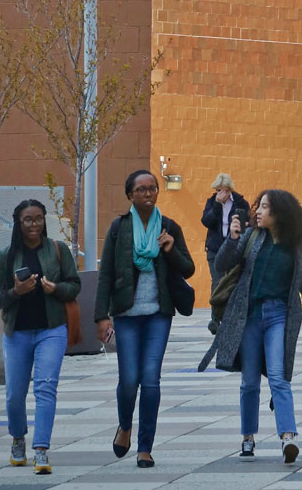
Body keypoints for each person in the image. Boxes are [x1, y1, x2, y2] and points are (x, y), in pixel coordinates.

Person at [198, 189, 302, 464]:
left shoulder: (299, 246)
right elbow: (222, 264)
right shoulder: (251, 237)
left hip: (279, 316)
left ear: (279, 213)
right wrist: (232, 239)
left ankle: (288, 437)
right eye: (258, 206)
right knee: (249, 382)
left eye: (264, 207)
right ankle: (248, 437)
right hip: (250, 316)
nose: (257, 211)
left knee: (279, 377)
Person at [94, 169, 195, 468]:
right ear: (130, 195)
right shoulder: (118, 229)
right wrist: (101, 317)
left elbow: (188, 269)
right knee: (129, 380)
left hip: (157, 315)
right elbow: (105, 276)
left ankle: (145, 447)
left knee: (150, 380)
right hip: (126, 315)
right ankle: (125, 425)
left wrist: (170, 250)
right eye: (141, 189)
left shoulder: (169, 227)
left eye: (152, 188)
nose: (149, 193)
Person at [0, 200, 81, 475]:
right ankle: (18, 438)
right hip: (17, 333)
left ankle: (41, 450)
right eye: (28, 219)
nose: (34, 224)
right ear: (18, 222)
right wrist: (16, 291)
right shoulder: (6, 255)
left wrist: (56, 289)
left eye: (39, 218)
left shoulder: (58, 250)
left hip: (52, 330)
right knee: (15, 394)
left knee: (45, 387)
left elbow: (74, 286)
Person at [201, 174, 250, 332]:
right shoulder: (212, 202)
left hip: (233, 248)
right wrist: (216, 205)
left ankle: (231, 316)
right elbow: (206, 221)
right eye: (217, 190)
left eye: (222, 190)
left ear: (229, 190)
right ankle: (215, 319)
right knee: (217, 282)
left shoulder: (240, 202)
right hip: (215, 249)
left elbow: (246, 222)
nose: (219, 193)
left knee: (233, 282)